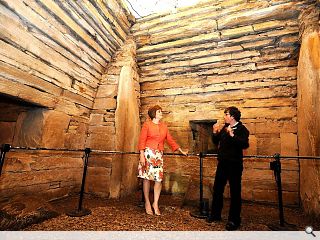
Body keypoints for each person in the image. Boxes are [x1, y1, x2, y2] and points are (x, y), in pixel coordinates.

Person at [138, 105, 188, 216]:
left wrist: (181, 150)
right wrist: (141, 154)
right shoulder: (147, 125)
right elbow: (142, 140)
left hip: (158, 155)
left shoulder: (164, 126)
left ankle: (155, 203)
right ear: (154, 113)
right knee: (146, 179)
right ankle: (147, 202)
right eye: (159, 111)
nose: (161, 113)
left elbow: (170, 140)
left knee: (158, 180)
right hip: (148, 154)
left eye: (161, 111)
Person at [208, 106, 249, 230]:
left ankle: (234, 220)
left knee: (235, 192)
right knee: (217, 189)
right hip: (222, 164)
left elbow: (244, 144)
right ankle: (215, 215)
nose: (224, 117)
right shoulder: (225, 127)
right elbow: (216, 142)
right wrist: (215, 132)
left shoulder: (242, 129)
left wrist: (232, 135)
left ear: (232, 116)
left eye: (226, 114)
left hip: (235, 165)